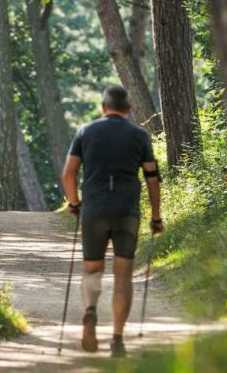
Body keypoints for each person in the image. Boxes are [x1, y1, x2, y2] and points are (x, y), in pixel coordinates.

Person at [61, 85, 163, 357]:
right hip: (126, 211)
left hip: (94, 210)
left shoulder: (86, 131)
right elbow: (152, 179)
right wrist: (156, 216)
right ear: (129, 110)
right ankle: (117, 339)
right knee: (123, 277)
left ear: (103, 108)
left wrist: (74, 203)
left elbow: (69, 174)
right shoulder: (139, 135)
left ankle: (90, 310)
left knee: (92, 270)